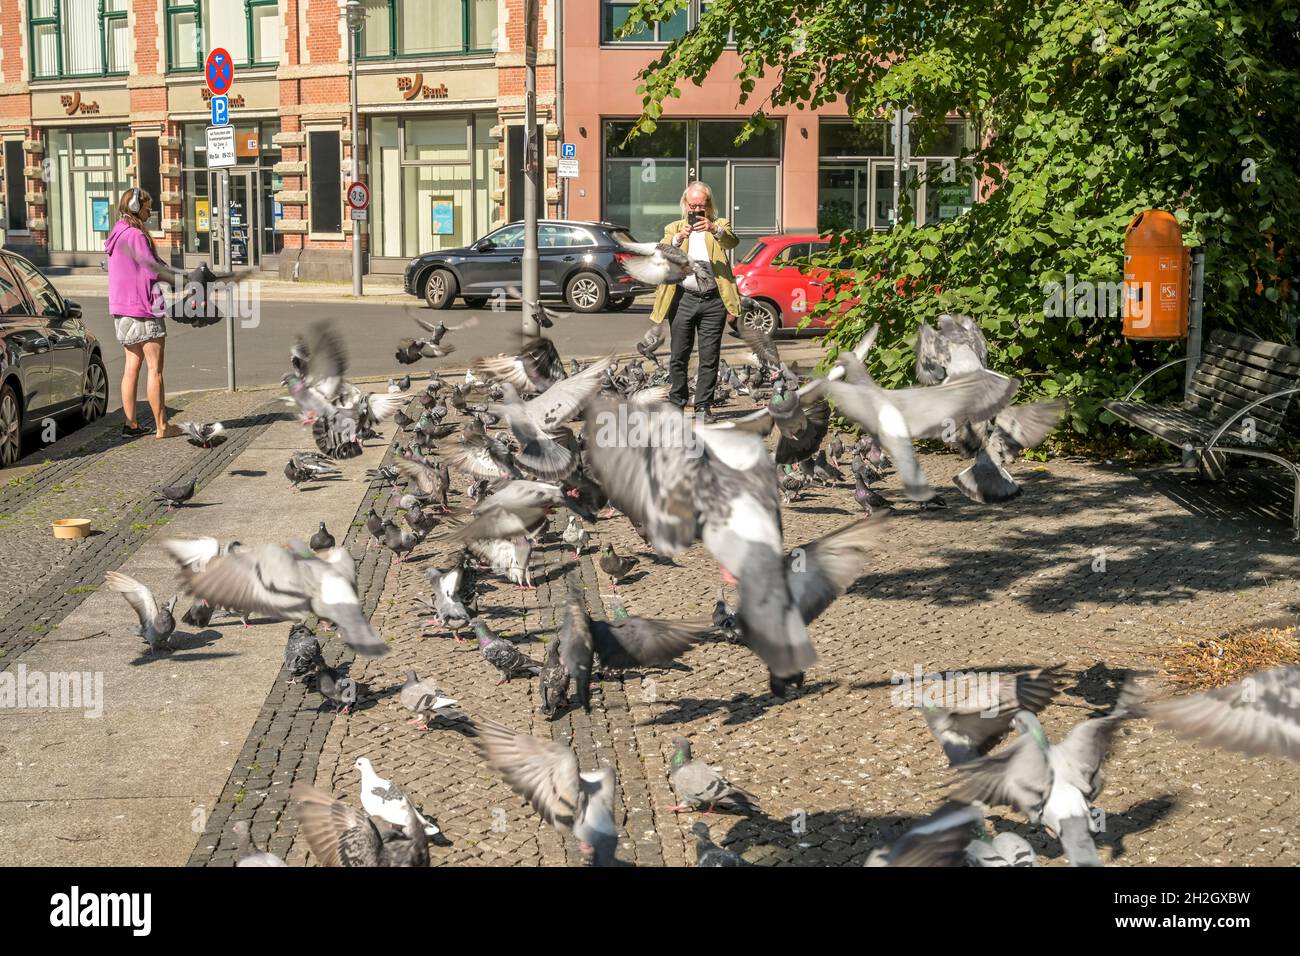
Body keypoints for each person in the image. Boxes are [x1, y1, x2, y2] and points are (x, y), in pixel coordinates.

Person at [649, 182, 741, 423]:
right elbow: (662, 251)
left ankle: (702, 406)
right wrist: (679, 239)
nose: (697, 209)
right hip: (683, 299)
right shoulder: (674, 228)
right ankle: (677, 404)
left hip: (713, 301)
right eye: (693, 205)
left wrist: (714, 229)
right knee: (679, 355)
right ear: (685, 205)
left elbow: (732, 241)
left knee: (710, 356)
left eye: (702, 205)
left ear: (709, 205)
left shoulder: (720, 226)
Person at [105, 187, 180, 440]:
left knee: (130, 368)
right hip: (144, 308)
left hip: (121, 310)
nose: (150, 211)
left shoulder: (116, 234)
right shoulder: (136, 235)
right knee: (154, 369)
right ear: (136, 207)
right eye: (147, 206)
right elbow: (152, 270)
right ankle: (162, 427)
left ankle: (131, 425)